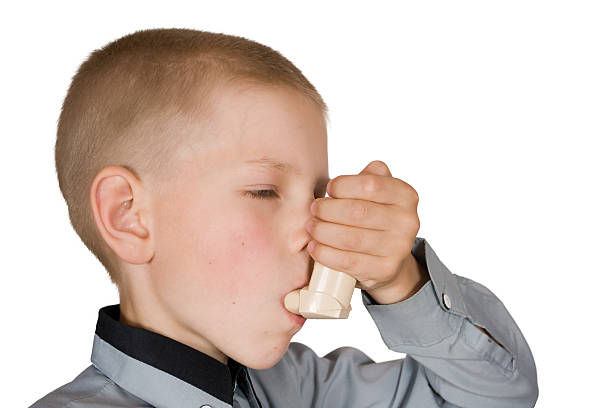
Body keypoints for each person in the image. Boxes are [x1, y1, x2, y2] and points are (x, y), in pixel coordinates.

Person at [30, 28, 538, 408]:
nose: (318, 234)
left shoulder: (306, 389)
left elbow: (495, 394)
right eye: (264, 191)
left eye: (319, 195)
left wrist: (400, 279)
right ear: (129, 216)